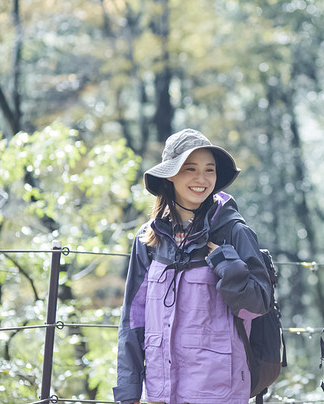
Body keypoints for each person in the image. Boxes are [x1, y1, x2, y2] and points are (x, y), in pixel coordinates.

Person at [113, 128, 274, 404]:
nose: (202, 179)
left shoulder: (234, 232)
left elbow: (258, 305)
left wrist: (228, 266)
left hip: (218, 391)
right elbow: (132, 320)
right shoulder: (148, 238)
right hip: (160, 391)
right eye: (190, 169)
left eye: (209, 170)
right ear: (170, 174)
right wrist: (128, 393)